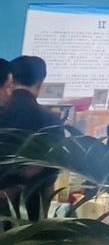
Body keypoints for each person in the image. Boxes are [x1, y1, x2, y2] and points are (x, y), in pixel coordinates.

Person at [0, 56, 65, 217]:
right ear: (40, 82)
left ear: (12, 79)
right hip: (28, 207)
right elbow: (51, 172)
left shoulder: (4, 109)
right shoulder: (50, 120)